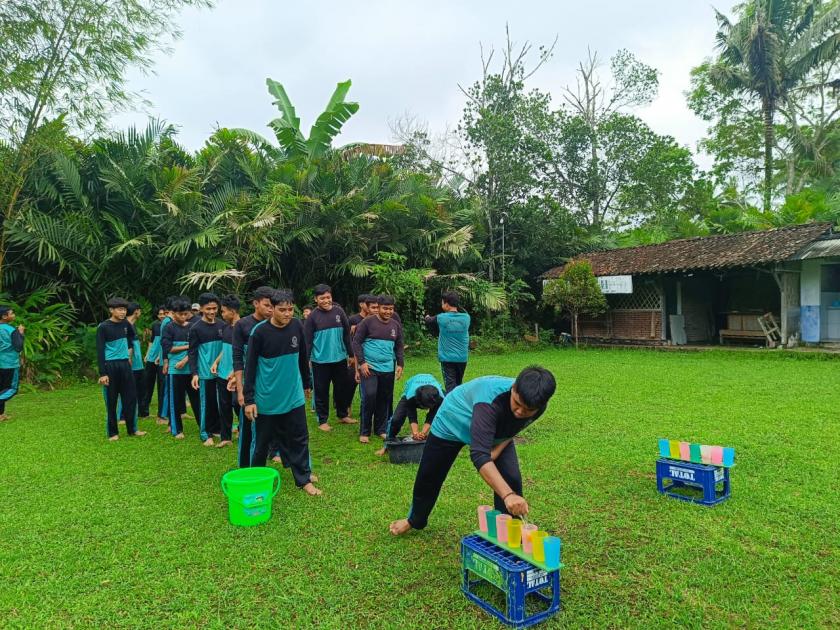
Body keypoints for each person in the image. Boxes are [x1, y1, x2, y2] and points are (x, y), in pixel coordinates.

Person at [389, 367, 556, 536]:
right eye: (517, 403)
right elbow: (479, 456)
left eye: (528, 410)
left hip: (492, 429)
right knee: (430, 475)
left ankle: (508, 536)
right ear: (513, 388)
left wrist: (497, 450)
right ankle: (414, 520)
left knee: (510, 477)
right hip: (452, 422)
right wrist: (508, 495)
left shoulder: (538, 405)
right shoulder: (490, 400)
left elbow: (512, 429)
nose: (520, 412)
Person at [244, 290, 321, 496]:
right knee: (261, 444)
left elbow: (303, 355)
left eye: (290, 309)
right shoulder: (259, 333)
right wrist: (249, 399)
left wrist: (306, 383)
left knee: (299, 438)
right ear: (272, 309)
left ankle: (303, 478)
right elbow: (249, 368)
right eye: (282, 310)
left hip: (293, 395)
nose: (287, 314)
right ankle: (256, 479)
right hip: (267, 399)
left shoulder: (297, 325)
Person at [303, 284, 355, 432]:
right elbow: (307, 341)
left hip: (339, 358)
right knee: (321, 391)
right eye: (322, 298)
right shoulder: (312, 317)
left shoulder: (339, 311)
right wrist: (306, 360)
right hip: (320, 361)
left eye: (328, 297)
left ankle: (342, 414)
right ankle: (322, 420)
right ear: (316, 299)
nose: (326, 300)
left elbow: (346, 334)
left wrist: (351, 354)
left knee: (341, 388)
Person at [352, 295, 404, 443]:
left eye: (391, 309)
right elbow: (356, 342)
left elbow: (399, 345)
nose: (388, 311)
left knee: (384, 398)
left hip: (387, 368)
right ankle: (364, 431)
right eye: (385, 308)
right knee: (369, 396)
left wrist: (400, 364)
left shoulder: (395, 325)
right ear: (378, 307)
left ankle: (380, 429)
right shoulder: (367, 323)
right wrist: (362, 363)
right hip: (369, 368)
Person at [233, 286, 275, 467]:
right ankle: (245, 466)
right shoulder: (242, 325)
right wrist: (241, 391)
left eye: (272, 305)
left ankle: (277, 454)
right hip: (251, 384)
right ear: (255, 304)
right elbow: (237, 359)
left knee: (278, 424)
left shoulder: (276, 324)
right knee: (249, 427)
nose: (270, 309)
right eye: (266, 305)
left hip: (272, 383)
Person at [96, 297, 145, 440]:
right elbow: (100, 350)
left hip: (125, 365)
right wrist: (103, 373)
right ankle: (113, 433)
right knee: (111, 401)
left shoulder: (126, 324)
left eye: (124, 309)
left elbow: (131, 340)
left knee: (130, 398)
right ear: (111, 310)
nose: (123, 312)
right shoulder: (103, 327)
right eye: (119, 309)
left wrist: (129, 355)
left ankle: (133, 429)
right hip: (110, 366)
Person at [375, 374, 444, 456]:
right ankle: (386, 445)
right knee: (396, 419)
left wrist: (422, 433)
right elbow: (412, 415)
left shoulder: (439, 398)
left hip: (431, 395)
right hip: (411, 390)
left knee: (444, 418)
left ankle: (444, 446)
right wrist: (415, 433)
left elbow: (431, 416)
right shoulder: (411, 396)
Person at [188, 292, 225, 446]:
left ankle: (218, 428)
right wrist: (195, 373)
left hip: (222, 372)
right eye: (208, 308)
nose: (211, 312)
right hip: (204, 373)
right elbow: (192, 352)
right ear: (201, 308)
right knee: (206, 403)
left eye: (214, 308)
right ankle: (205, 433)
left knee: (221, 402)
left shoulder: (222, 325)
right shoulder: (196, 328)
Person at [161, 297, 199, 439]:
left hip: (191, 370)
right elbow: (168, 348)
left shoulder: (192, 327)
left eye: (186, 314)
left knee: (196, 400)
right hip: (175, 370)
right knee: (176, 400)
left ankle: (204, 427)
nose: (183, 317)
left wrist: (186, 359)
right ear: (173, 313)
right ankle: (177, 430)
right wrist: (188, 346)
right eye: (180, 314)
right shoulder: (168, 327)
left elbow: (197, 347)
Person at [425, 291, 471, 394]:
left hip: (447, 358)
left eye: (442, 302)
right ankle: (458, 405)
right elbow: (462, 312)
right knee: (458, 385)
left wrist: (427, 316)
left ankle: (451, 407)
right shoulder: (467, 318)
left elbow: (428, 321)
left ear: (446, 304)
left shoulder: (441, 318)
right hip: (462, 358)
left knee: (450, 387)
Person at [211, 294, 240, 448]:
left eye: (223, 311)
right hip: (222, 372)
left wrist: (236, 372)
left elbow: (246, 353)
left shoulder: (244, 328)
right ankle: (225, 437)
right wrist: (216, 362)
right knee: (224, 405)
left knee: (238, 403)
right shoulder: (226, 328)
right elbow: (225, 349)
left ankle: (244, 429)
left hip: (237, 374)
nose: (221, 314)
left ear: (233, 311)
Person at [0, 305, 25, 421]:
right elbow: (18, 347)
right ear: (4, 317)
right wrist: (20, 333)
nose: (13, 315)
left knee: (1, 389)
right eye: (11, 313)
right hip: (9, 363)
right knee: (12, 389)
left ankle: (1, 415)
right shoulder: (11, 330)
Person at [142, 305, 166, 421]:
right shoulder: (155, 325)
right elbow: (152, 341)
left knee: (161, 386)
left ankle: (161, 414)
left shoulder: (169, 325)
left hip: (161, 359)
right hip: (152, 359)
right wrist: (147, 354)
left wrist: (159, 355)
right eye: (159, 314)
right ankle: (144, 411)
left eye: (163, 313)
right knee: (147, 384)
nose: (161, 316)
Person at [125, 302, 146, 421]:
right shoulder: (126, 325)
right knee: (129, 390)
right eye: (140, 311)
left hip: (138, 364)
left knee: (140, 388)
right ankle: (123, 416)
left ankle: (141, 412)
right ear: (136, 311)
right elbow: (128, 345)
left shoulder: (132, 325)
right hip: (131, 364)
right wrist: (129, 359)